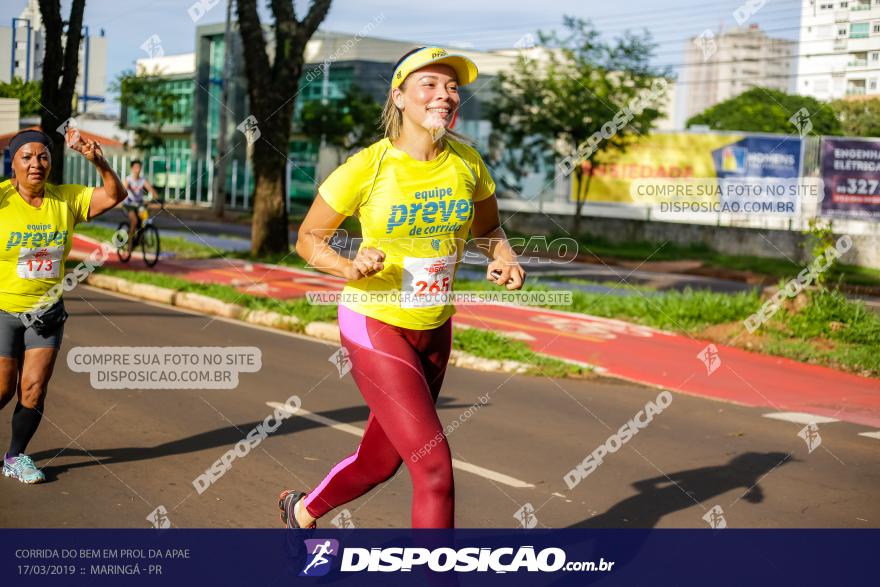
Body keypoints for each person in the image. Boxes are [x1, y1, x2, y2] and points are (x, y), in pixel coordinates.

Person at [281, 47, 526, 528]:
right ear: (399, 97)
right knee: (434, 469)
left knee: (381, 462)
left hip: (434, 325)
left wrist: (505, 256)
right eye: (430, 84)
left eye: (452, 86)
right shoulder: (366, 167)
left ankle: (303, 511)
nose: (445, 95)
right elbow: (308, 239)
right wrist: (348, 265)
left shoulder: (468, 164)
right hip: (375, 321)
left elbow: (489, 231)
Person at [0, 128, 127, 483]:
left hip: (46, 313)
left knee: (34, 388)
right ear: (13, 163)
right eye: (26, 157)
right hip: (3, 310)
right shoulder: (2, 200)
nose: (36, 164)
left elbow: (116, 194)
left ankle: (15, 457)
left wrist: (98, 161)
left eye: (43, 157)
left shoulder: (65, 199)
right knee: (3, 388)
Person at [122, 160, 158, 253]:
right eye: (136, 167)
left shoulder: (142, 180)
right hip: (129, 204)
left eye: (139, 167)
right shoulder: (128, 179)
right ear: (132, 168)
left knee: (144, 222)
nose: (137, 169)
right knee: (134, 221)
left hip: (139, 205)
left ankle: (138, 240)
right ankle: (129, 244)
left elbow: (152, 191)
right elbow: (124, 189)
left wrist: (155, 198)